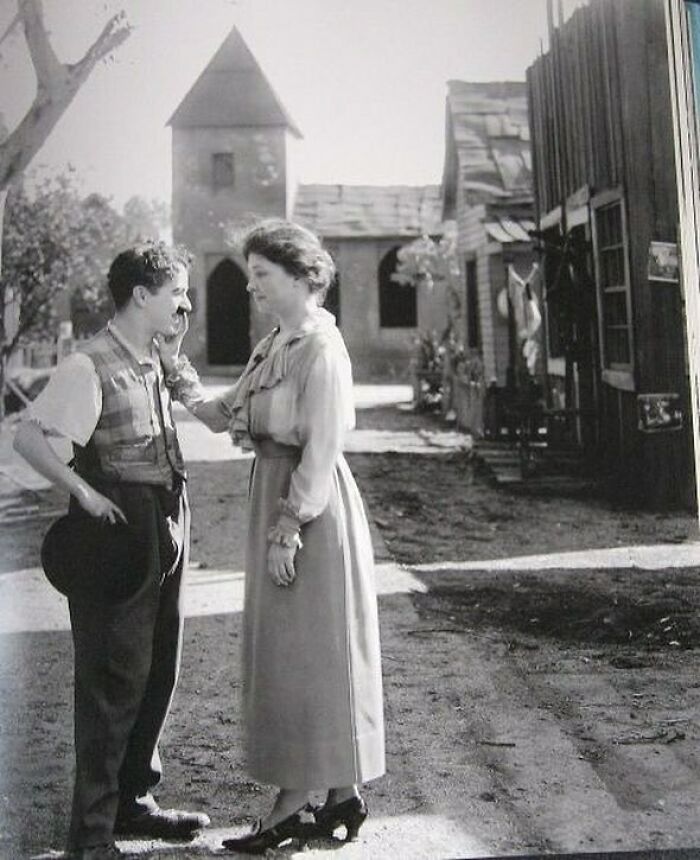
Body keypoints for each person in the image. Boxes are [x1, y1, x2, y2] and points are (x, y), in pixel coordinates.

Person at [162, 219, 385, 853]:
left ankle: (291, 804)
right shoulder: (274, 344)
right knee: (297, 651)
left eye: (262, 274)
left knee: (308, 652)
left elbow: (322, 446)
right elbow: (223, 414)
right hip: (276, 494)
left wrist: (289, 527)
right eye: (251, 274)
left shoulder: (321, 349)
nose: (251, 286)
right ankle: (340, 793)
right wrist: (173, 365)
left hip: (310, 509)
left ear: (301, 276)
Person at [13, 241, 210, 859]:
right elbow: (28, 439)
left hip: (166, 517)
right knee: (110, 677)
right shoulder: (87, 364)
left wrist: (174, 357)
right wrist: (82, 491)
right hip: (117, 529)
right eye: (176, 293)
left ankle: (134, 800)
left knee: (158, 667)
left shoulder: (155, 355)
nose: (185, 304)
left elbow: (201, 409)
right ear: (141, 296)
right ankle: (91, 834)